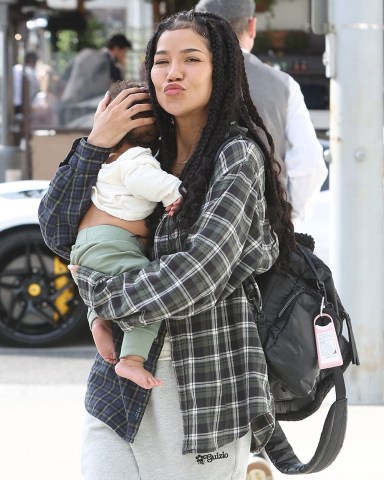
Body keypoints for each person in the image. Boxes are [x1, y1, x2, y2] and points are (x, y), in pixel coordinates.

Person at [39, 10, 295, 480]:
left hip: (203, 395)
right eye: (161, 60)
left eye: (191, 59)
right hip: (120, 395)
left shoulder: (236, 156)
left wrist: (100, 298)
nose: (172, 72)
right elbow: (58, 231)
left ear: (222, 70)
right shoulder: (142, 155)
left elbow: (195, 276)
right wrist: (97, 142)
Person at [70, 79, 183, 389]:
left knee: (111, 282)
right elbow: (145, 179)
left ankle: (98, 320)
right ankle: (131, 360)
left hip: (90, 247)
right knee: (150, 297)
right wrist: (173, 192)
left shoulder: (107, 160)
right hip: (112, 242)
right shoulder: (136, 159)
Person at [195, 0, 328, 227]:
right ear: (252, 25)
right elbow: (310, 164)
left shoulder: (180, 77)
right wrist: (290, 217)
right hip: (265, 225)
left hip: (195, 224)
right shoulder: (283, 85)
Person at [59, 34, 132, 124]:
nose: (123, 57)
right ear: (116, 49)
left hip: (67, 106)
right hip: (87, 111)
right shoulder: (108, 64)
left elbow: (64, 77)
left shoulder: (85, 55)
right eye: (124, 52)